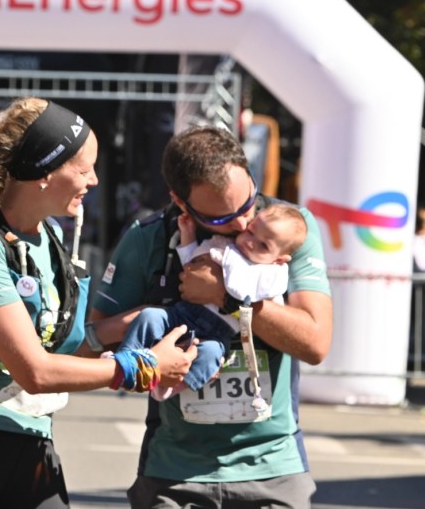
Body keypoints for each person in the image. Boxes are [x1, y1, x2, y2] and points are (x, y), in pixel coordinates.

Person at [0, 98, 196, 509]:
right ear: (45, 170)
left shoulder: (51, 236)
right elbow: (35, 370)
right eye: (84, 169)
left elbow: (62, 351)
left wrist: (126, 325)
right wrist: (143, 366)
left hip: (31, 442)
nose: (94, 180)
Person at [90, 125, 333, 508]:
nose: (243, 225)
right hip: (173, 471)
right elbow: (91, 343)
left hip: (273, 468)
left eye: (248, 202)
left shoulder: (287, 227)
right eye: (222, 219)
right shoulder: (147, 238)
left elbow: (315, 343)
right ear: (180, 202)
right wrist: (150, 327)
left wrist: (226, 296)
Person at [119, 203, 307, 400]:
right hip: (183, 315)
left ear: (280, 259)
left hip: (218, 334)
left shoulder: (271, 278)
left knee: (211, 354)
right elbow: (191, 264)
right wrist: (188, 234)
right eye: (251, 232)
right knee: (150, 315)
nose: (251, 242)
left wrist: (227, 299)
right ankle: (126, 357)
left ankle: (174, 386)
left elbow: (271, 319)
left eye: (264, 245)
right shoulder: (223, 247)